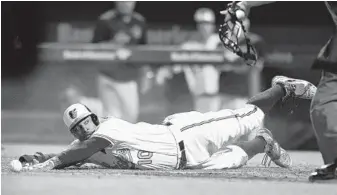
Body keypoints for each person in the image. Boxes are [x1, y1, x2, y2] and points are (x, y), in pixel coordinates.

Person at [18, 76, 316, 171]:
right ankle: (263, 142)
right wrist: (38, 159)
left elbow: (79, 152)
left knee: (249, 115)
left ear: (94, 117)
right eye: (77, 128)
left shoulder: (106, 129)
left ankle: (281, 88)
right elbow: (74, 152)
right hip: (183, 162)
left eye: (85, 122)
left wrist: (54, 160)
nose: (83, 129)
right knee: (232, 160)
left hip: (185, 134)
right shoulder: (84, 144)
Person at [220, 1, 337, 180]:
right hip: (224, 92)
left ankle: (280, 93)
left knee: (246, 124)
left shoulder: (255, 40)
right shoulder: (225, 42)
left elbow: (256, 61)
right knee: (323, 105)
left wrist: (245, 3)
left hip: (244, 90)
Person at [92, 1, 149, 123]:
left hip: (128, 77)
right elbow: (94, 49)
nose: (125, 3)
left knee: (132, 115)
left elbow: (144, 50)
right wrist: (113, 43)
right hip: (108, 76)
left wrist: (146, 75)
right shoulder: (105, 20)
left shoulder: (139, 21)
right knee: (111, 118)